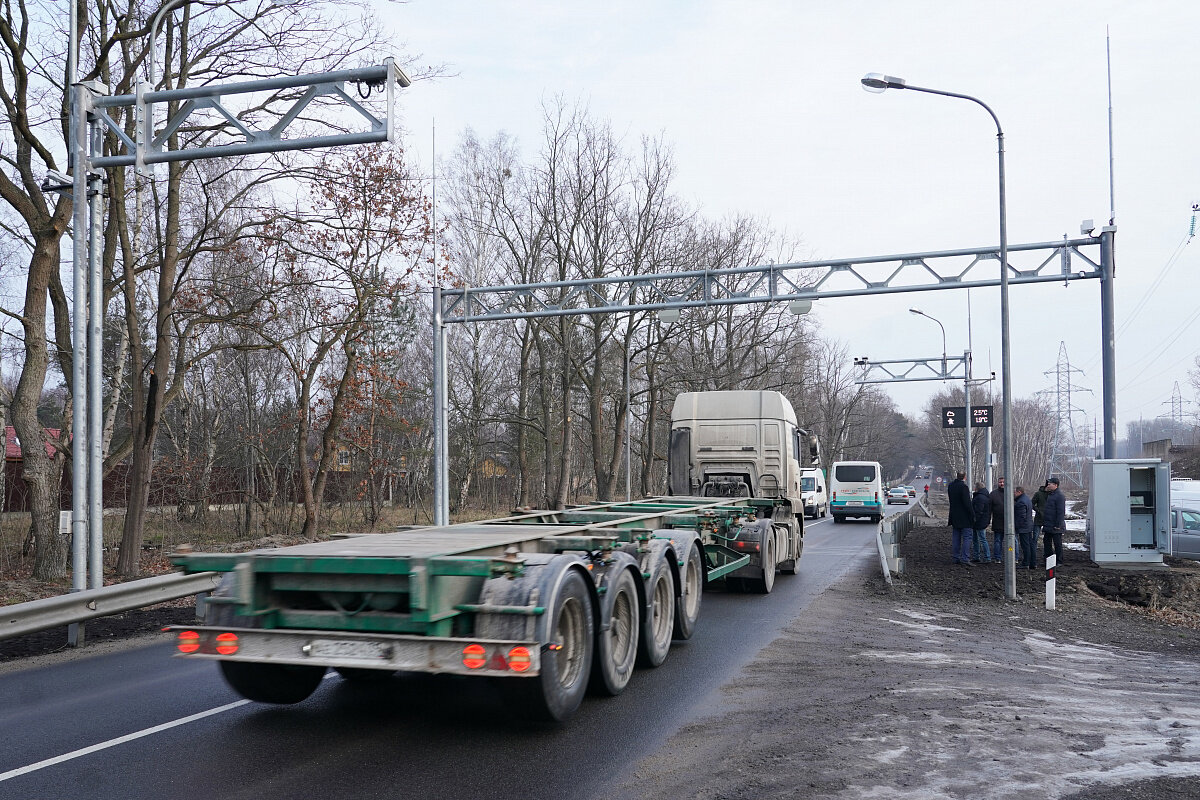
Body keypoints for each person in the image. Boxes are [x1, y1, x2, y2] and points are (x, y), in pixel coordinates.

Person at [947, 472, 973, 565]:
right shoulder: (964, 487)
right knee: (967, 537)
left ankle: (955, 557)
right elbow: (967, 503)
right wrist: (972, 515)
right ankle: (965, 558)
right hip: (965, 517)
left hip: (954, 516)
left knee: (956, 537)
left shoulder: (951, 486)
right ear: (965, 477)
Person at [1041, 477, 1067, 567]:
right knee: (1046, 541)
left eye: (1050, 484)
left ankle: (1059, 561)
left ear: (1055, 485)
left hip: (1056, 525)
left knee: (1057, 543)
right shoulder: (1051, 494)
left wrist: (1058, 525)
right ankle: (1049, 559)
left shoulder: (1059, 496)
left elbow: (1061, 511)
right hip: (1048, 524)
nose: (1048, 485)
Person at [1014, 486, 1036, 569]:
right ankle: (1032, 562)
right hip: (1028, 526)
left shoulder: (1021, 502)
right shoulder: (1027, 499)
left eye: (1015, 492)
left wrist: (1016, 527)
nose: (1014, 494)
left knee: (1025, 545)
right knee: (1030, 544)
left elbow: (1021, 517)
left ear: (1019, 492)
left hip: (1024, 527)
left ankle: (1026, 563)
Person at [971, 481, 992, 563]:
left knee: (980, 539)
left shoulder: (979, 498)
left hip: (979, 522)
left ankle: (986, 557)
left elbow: (978, 511)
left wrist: (974, 519)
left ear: (976, 488)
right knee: (979, 539)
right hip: (983, 521)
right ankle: (980, 556)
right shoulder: (985, 496)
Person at [989, 476, 1006, 564]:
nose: (1002, 484)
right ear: (997, 483)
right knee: (997, 540)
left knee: (1012, 541)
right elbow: (989, 508)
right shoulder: (993, 494)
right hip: (997, 522)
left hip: (1009, 523)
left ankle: (1014, 557)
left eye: (1003, 482)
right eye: (1000, 482)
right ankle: (997, 558)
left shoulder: (1011, 493)